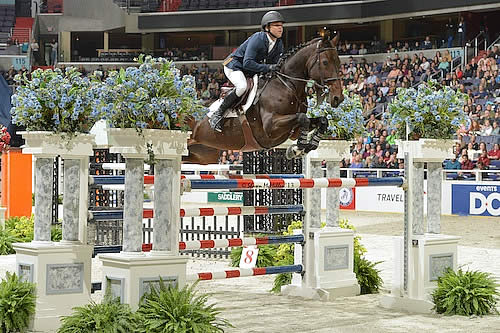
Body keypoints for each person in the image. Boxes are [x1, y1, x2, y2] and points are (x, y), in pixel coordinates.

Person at [209, 11, 284, 132]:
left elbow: (276, 65)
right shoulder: (258, 38)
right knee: (242, 86)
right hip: (234, 65)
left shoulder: (279, 43)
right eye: (276, 25)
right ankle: (217, 114)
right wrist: (268, 68)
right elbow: (247, 63)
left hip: (250, 70)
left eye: (281, 26)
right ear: (267, 27)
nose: (280, 28)